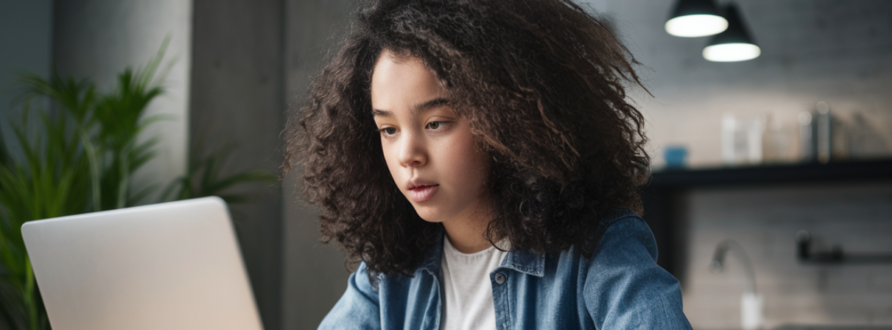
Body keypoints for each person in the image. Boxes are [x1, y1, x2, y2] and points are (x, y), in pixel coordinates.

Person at [283, 0, 694, 328]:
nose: (408, 153)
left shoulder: (598, 251)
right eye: (388, 130)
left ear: (505, 120)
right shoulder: (388, 276)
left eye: (436, 123)